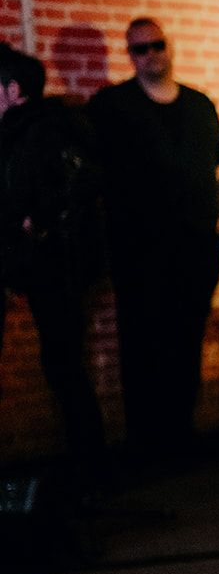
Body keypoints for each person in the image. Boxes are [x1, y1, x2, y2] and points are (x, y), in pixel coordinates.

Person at [87, 18, 219, 458]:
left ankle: (180, 436)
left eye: (156, 45)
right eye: (139, 49)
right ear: (130, 56)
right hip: (139, 252)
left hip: (195, 247)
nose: (150, 55)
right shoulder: (110, 107)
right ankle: (146, 444)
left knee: (186, 340)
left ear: (170, 46)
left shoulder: (200, 106)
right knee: (142, 342)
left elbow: (213, 170)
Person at [0, 44, 106, 471]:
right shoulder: (24, 131)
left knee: (64, 365)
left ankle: (91, 466)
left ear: (13, 90)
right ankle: (89, 464)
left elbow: (70, 185)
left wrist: (36, 221)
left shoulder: (44, 129)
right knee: (62, 364)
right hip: (41, 266)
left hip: (56, 267)